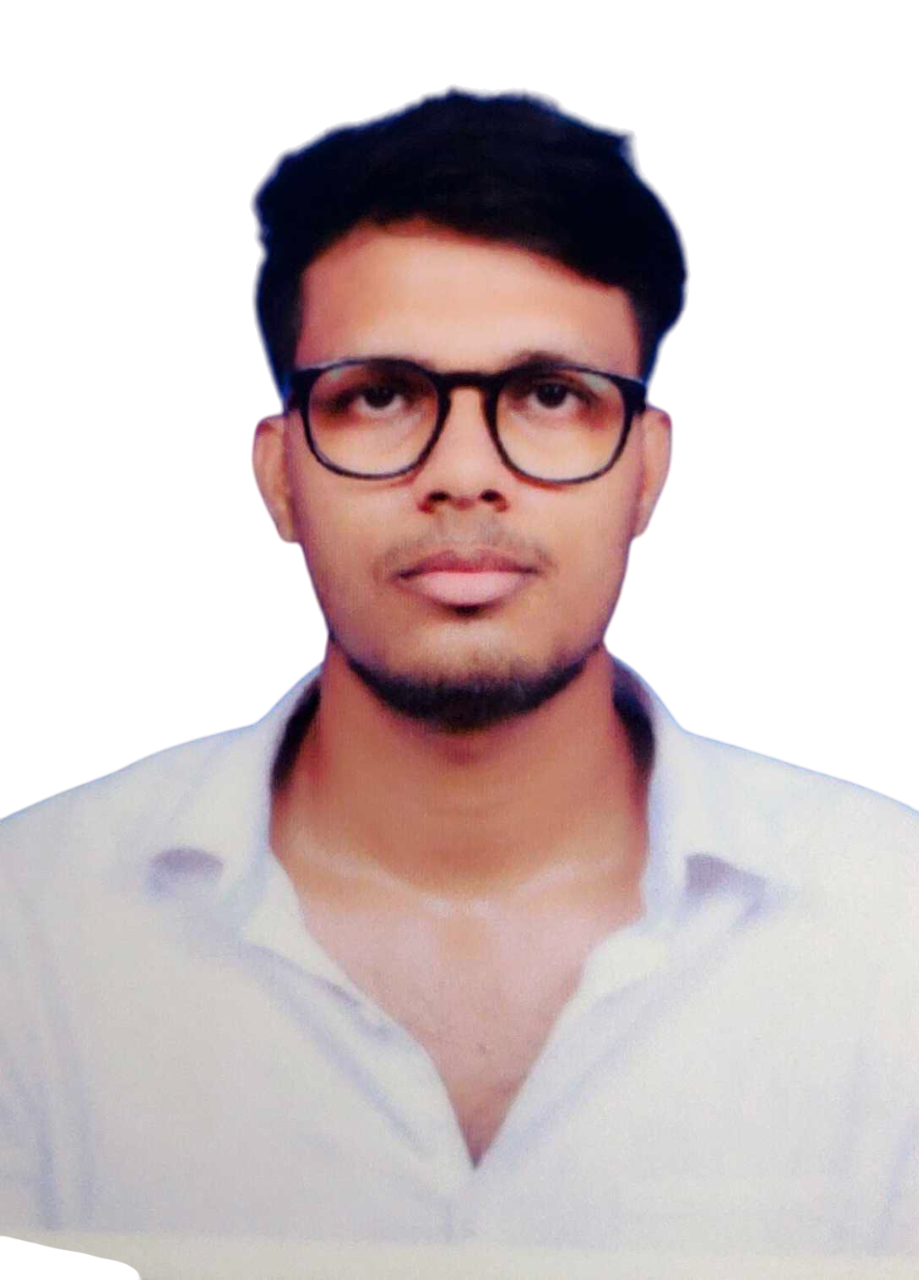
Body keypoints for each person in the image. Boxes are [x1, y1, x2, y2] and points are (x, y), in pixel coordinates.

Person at [1, 89, 916, 1258]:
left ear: (647, 472)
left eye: (549, 395)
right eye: (381, 394)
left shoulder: (895, 924)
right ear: (278, 477)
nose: (465, 472)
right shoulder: (28, 930)